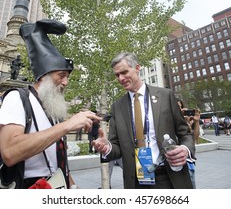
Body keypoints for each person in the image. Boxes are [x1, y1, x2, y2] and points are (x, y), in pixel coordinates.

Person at [0, 19, 101, 189]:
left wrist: (73, 187)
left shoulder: (52, 106)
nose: (66, 82)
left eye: (67, 77)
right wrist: (67, 125)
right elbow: (10, 152)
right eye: (61, 75)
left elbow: (57, 158)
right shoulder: (17, 99)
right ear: (42, 76)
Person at [92, 52, 195, 189]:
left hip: (169, 177)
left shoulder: (165, 96)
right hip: (136, 181)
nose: (121, 78)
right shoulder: (117, 107)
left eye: (124, 72)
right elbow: (116, 146)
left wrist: (185, 149)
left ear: (137, 68)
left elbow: (185, 134)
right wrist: (107, 147)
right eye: (117, 75)